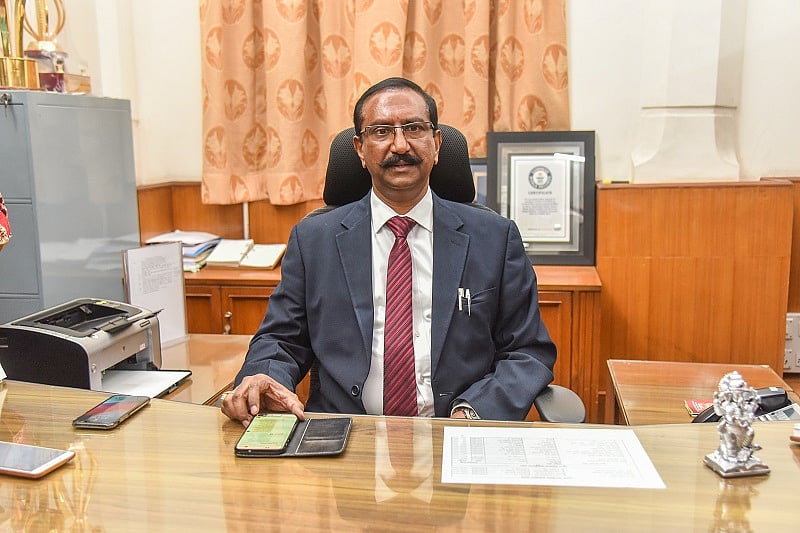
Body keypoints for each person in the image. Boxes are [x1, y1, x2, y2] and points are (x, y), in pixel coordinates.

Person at [222, 77, 555, 426]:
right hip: (344, 437)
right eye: (381, 131)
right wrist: (263, 375)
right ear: (360, 149)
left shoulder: (494, 239)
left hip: (454, 432)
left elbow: (528, 351)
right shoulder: (313, 240)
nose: (399, 145)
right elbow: (281, 338)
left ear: (437, 144)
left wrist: (472, 412)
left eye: (413, 128)